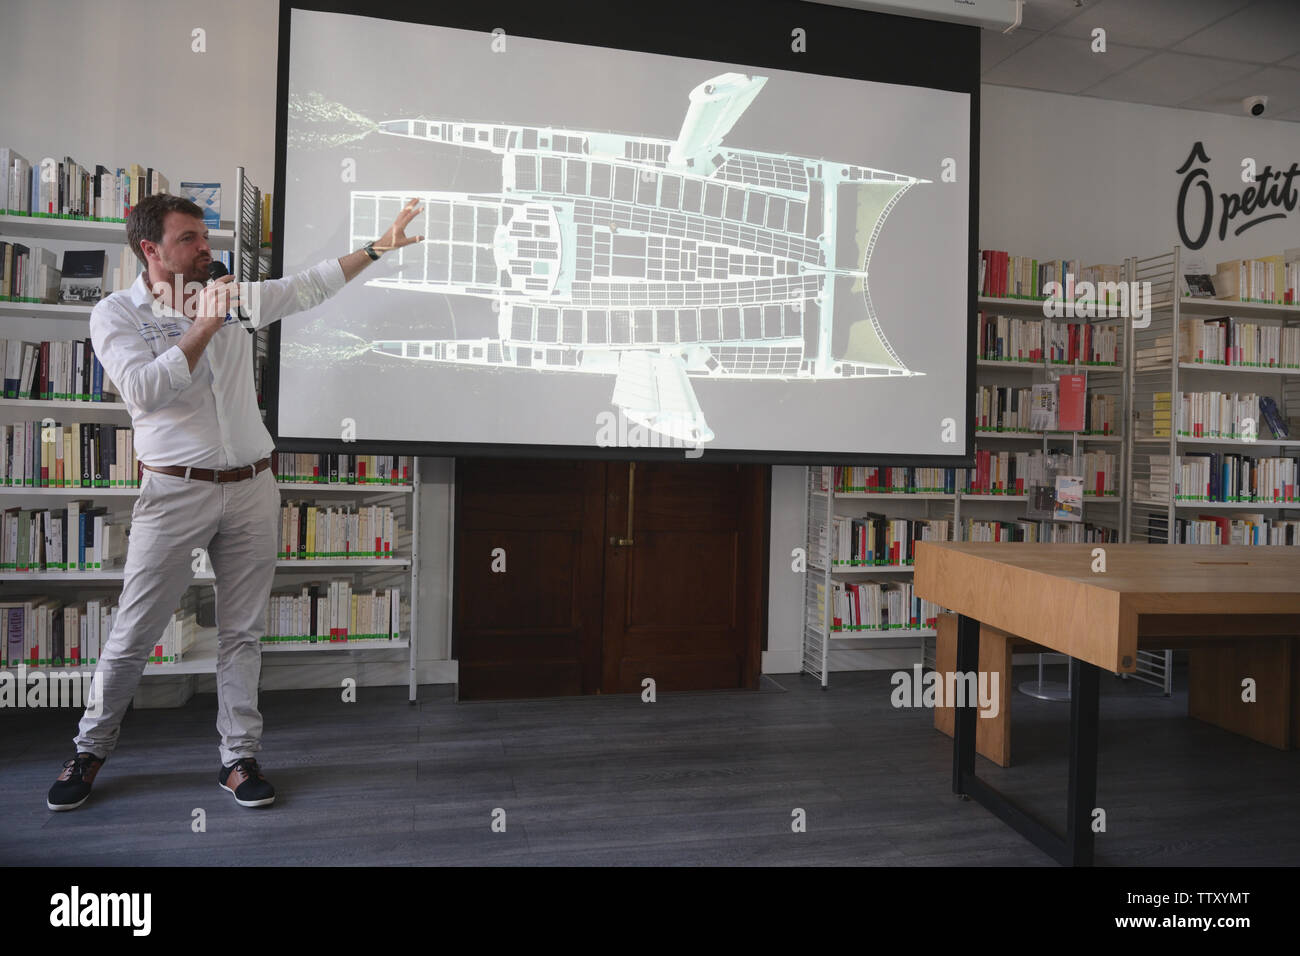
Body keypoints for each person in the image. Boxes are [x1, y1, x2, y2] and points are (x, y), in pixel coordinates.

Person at [47, 193, 424, 811]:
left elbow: (307, 287)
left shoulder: (231, 297)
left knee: (242, 634)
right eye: (189, 239)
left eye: (205, 237)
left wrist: (379, 247)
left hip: (252, 487)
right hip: (174, 491)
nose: (206, 248)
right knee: (135, 631)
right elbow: (144, 392)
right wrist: (205, 324)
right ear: (150, 248)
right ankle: (89, 750)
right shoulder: (117, 313)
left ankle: (239, 758)